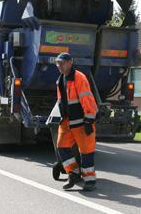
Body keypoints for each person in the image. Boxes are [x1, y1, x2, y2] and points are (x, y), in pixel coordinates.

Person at [54, 52, 98, 191]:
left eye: (61, 63)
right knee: (61, 147)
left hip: (81, 122)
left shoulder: (79, 77)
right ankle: (73, 174)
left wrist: (89, 120)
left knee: (86, 152)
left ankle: (90, 180)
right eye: (57, 63)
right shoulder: (60, 80)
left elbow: (87, 98)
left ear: (70, 62)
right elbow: (61, 102)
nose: (59, 66)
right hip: (67, 122)